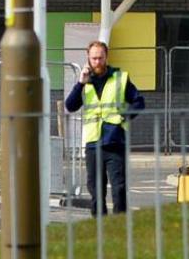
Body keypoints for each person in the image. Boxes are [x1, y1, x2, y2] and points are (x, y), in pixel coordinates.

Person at [63, 39, 147, 214]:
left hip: (114, 141)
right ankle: (99, 226)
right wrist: (80, 83)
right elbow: (70, 106)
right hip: (93, 144)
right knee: (95, 189)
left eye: (100, 58)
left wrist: (125, 115)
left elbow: (139, 102)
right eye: (93, 58)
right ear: (88, 58)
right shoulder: (85, 82)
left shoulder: (120, 78)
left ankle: (119, 223)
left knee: (118, 188)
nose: (97, 62)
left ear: (106, 57)